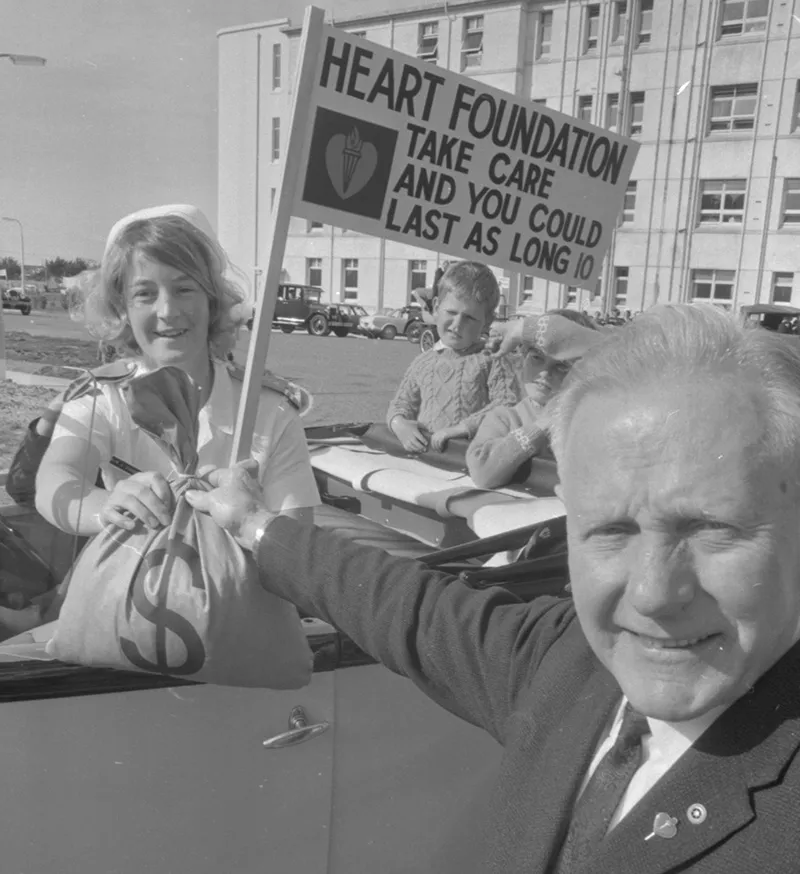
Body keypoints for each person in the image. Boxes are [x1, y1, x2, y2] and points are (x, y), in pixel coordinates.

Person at [186, 303, 800, 873]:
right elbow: (407, 606)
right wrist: (255, 525)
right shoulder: (564, 663)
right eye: (610, 531)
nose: (652, 593)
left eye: (711, 529)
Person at [35, 204, 319, 538]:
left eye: (184, 289)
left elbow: (296, 536)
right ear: (121, 308)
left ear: (212, 301)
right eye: (145, 294)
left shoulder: (270, 411)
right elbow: (57, 479)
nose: (167, 311)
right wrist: (107, 506)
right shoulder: (103, 398)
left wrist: (254, 521)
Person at [386, 261, 520, 453]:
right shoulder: (422, 363)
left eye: (470, 318)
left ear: (487, 321)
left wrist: (463, 428)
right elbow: (401, 403)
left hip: (470, 462)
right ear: (436, 307)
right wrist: (398, 423)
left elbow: (507, 404)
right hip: (426, 460)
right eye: (451, 312)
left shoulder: (493, 360)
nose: (457, 325)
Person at [466, 310, 601, 489]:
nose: (545, 373)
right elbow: (482, 473)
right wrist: (541, 427)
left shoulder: (592, 421)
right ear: (523, 358)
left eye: (561, 367)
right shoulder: (504, 418)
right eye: (536, 358)